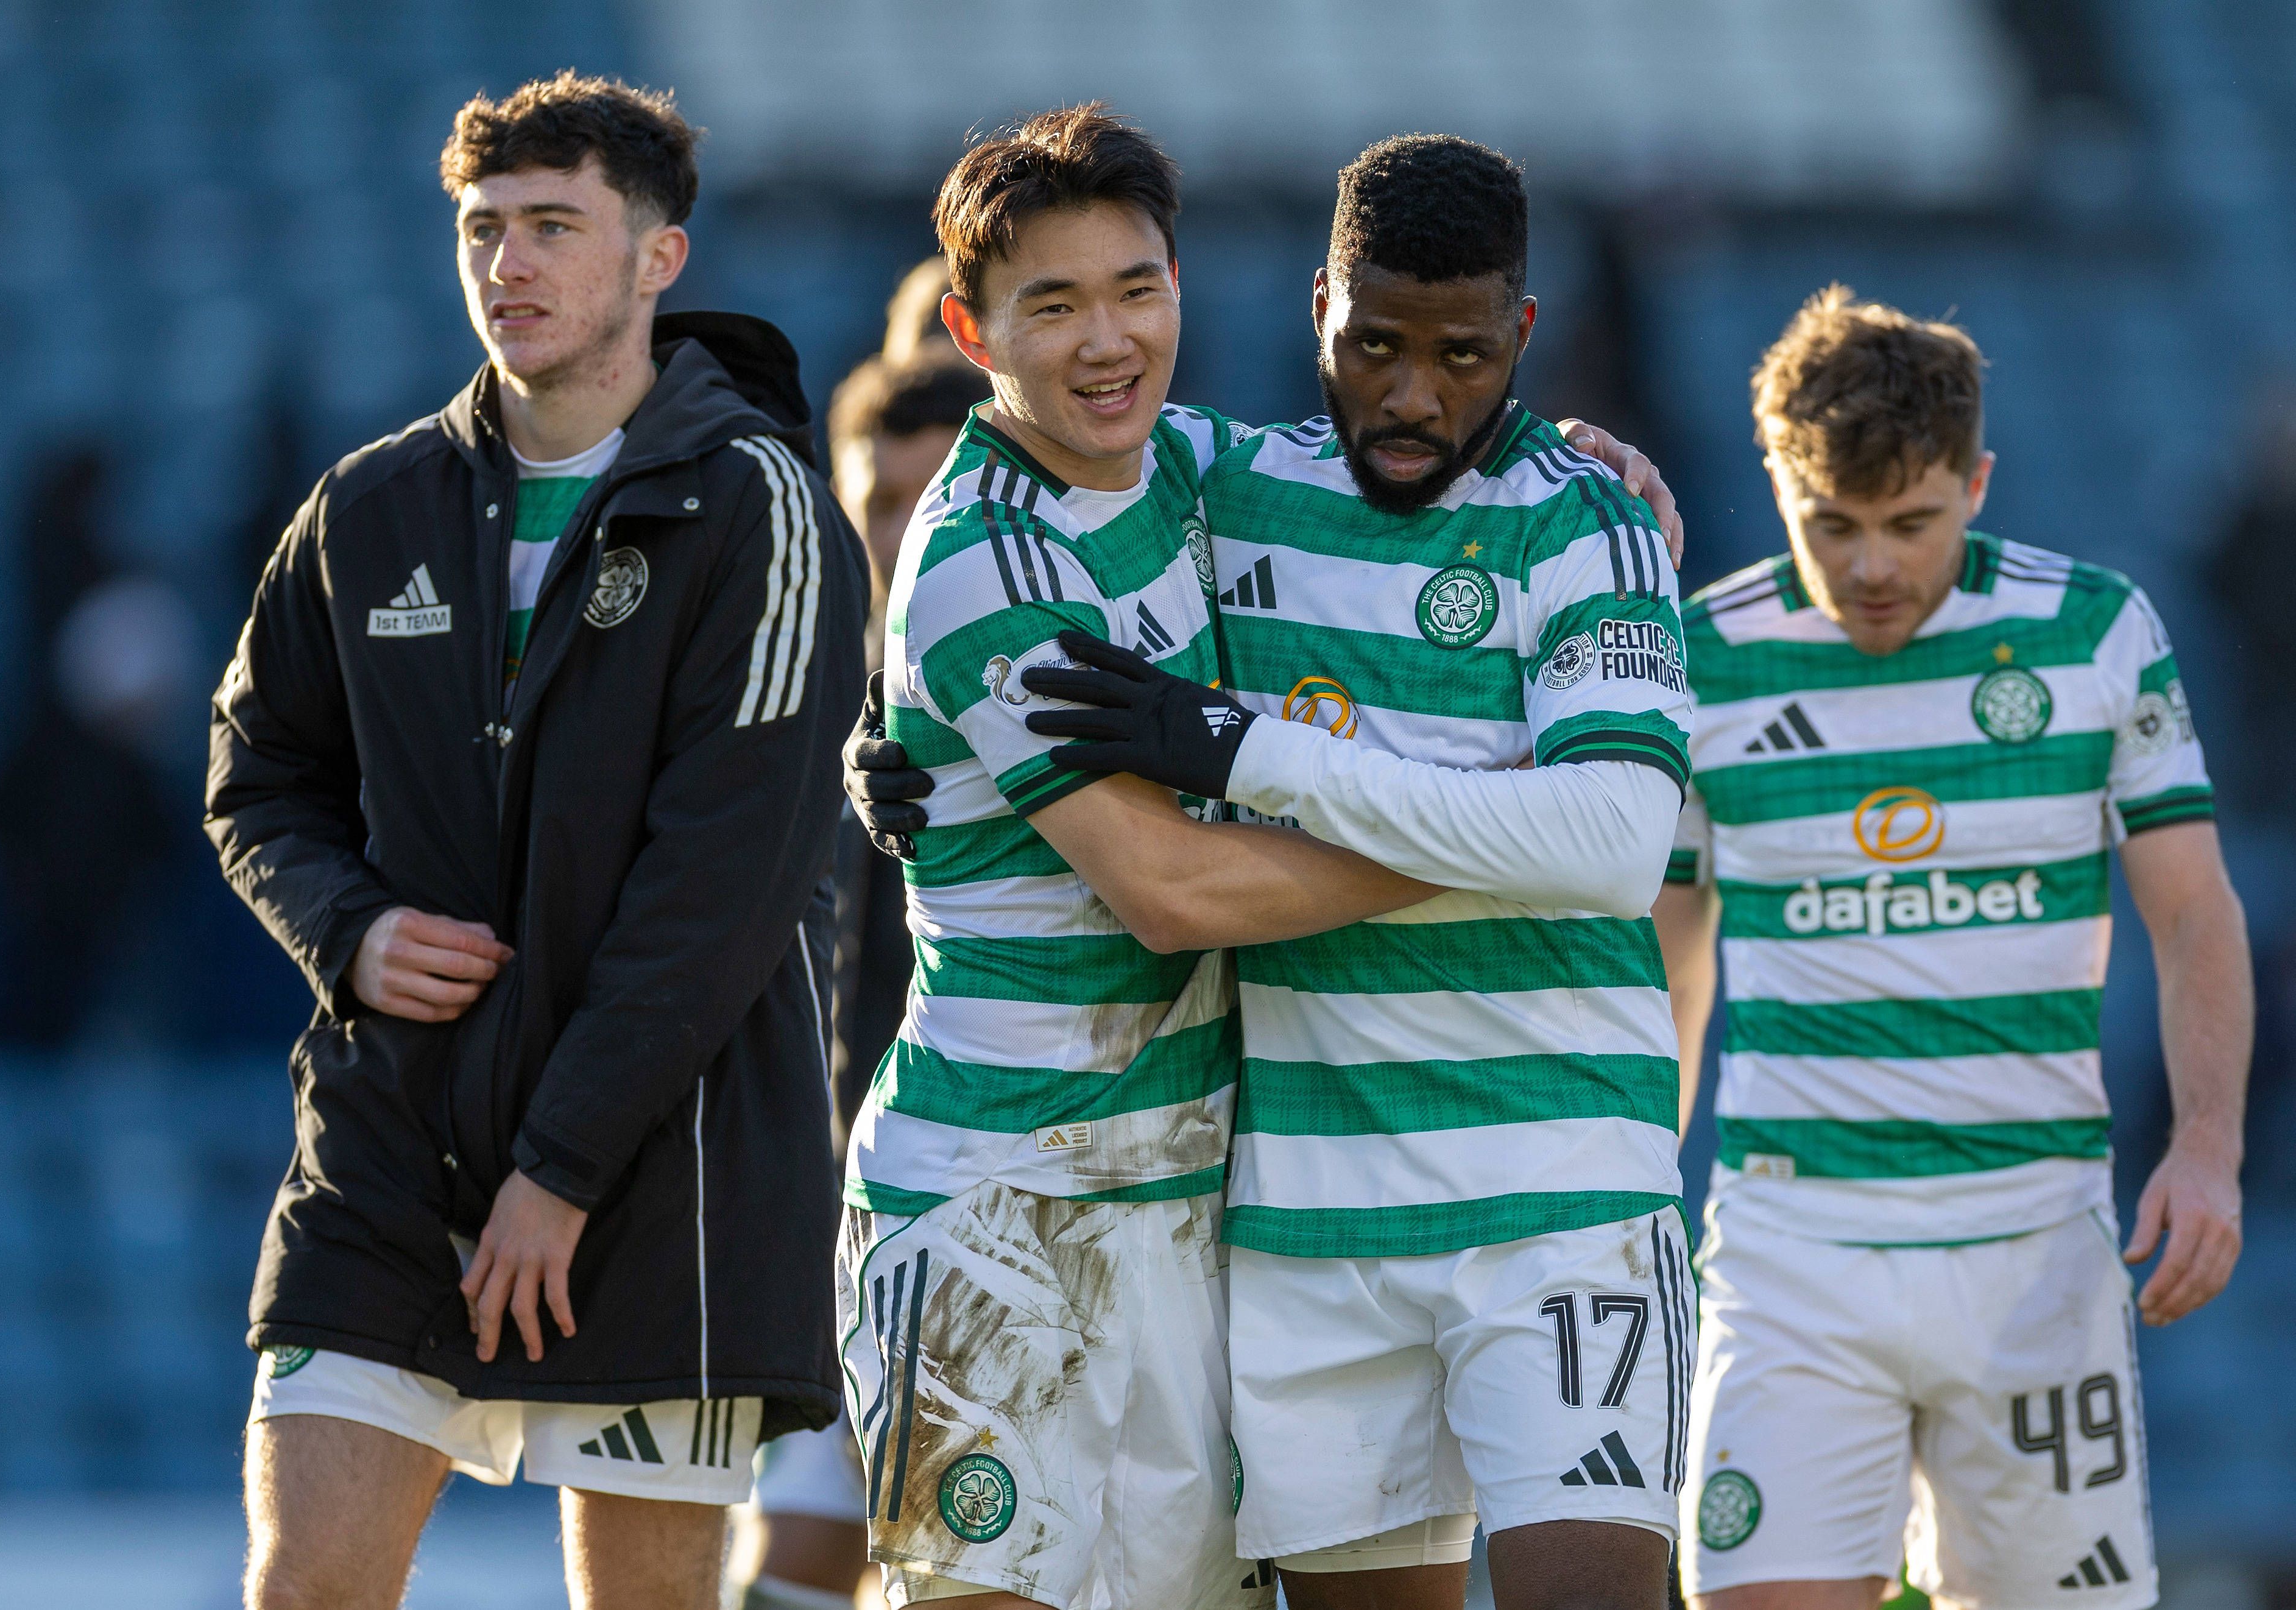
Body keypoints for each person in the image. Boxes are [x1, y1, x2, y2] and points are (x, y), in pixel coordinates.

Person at [846, 128, 1695, 1610]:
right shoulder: (1037, 540)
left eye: (1136, 289)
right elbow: (1174, 890)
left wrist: (1271, 752)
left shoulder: (1204, 472)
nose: (1107, 342)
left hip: (1251, 1192)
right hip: (1014, 1202)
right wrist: (1508, 824)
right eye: (1054, 306)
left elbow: (1617, 837)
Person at [203, 73, 867, 1610]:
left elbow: (729, 882)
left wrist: (563, 1163)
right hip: (391, 1152)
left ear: (659, 258)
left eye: (554, 226)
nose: (509, 262)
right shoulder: (368, 508)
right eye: (483, 228)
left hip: (658, 1171)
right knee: (304, 1586)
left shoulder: (761, 505)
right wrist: (349, 926)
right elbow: (257, 775)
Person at [1653, 286, 2250, 1610]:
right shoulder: (1705, 656)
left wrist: (2205, 1145)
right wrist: (1636, 1179)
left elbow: (2192, 911)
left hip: (2030, 1236)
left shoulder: (2091, 633)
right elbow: (1672, 953)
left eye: (1910, 523)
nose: (1871, 565)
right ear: (1777, 482)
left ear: (1975, 482)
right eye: (1833, 527)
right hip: (1792, 1238)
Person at [738, 339, 991, 1610]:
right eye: (875, 499)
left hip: (998, 1225)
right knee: (789, 1569)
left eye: (927, 493)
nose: (900, 527)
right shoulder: (795, 701)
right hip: (839, 1220)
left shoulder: (1033, 695)